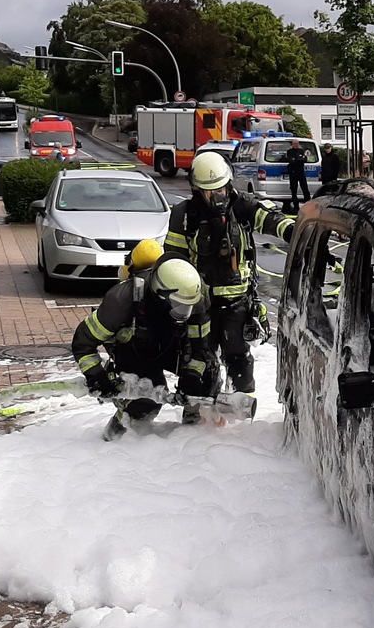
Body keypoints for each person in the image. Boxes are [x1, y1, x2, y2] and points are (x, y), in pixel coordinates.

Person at [163, 149, 294, 394]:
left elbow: (271, 219)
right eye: (209, 191)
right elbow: (173, 262)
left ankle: (240, 421)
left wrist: (294, 232)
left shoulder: (242, 206)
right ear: (197, 190)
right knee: (199, 364)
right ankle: (199, 417)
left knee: (240, 363)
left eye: (221, 189)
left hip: (237, 305)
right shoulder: (183, 216)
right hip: (199, 306)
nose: (217, 196)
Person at [72, 257, 217, 441]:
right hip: (134, 350)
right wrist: (96, 376)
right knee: (146, 401)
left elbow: (200, 348)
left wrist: (192, 376)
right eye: (179, 307)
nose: (185, 314)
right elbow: (83, 341)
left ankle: (193, 431)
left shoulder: (194, 299)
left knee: (208, 372)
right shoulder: (121, 300)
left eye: (188, 307)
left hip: (171, 346)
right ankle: (115, 435)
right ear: (160, 295)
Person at [285, 138, 311, 209]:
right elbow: (291, 160)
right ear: (292, 144)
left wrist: (297, 159)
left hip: (301, 173)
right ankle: (296, 207)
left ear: (298, 144)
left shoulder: (302, 151)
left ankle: (308, 205)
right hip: (293, 173)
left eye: (297, 144)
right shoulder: (289, 152)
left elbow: (305, 159)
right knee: (294, 191)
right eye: (294, 144)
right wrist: (299, 159)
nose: (296, 145)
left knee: (305, 189)